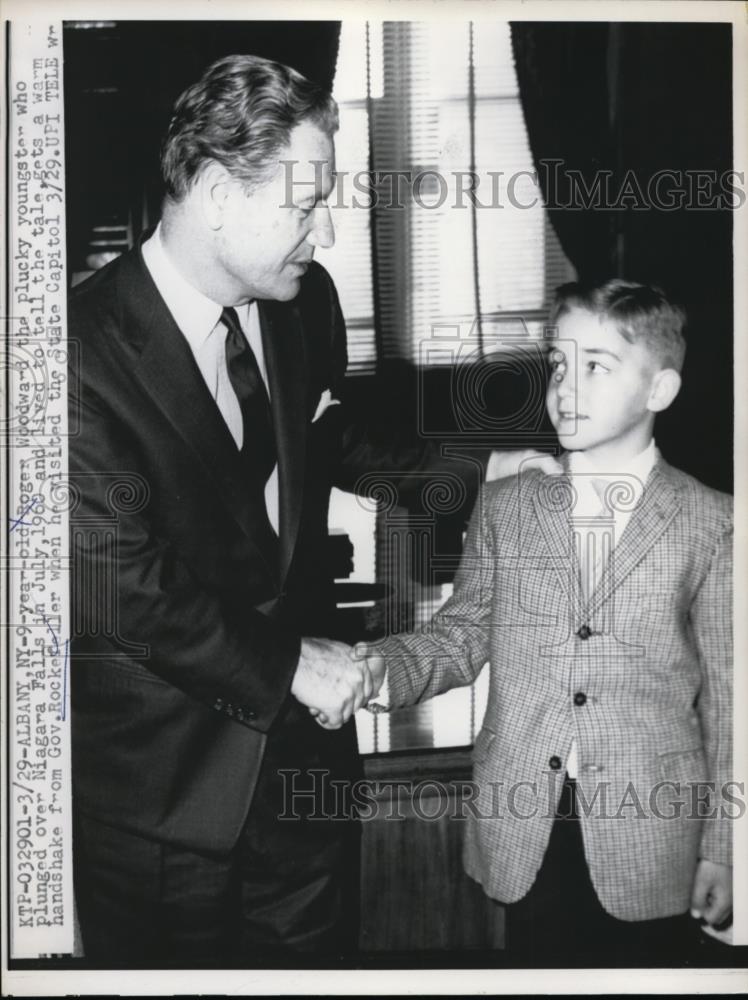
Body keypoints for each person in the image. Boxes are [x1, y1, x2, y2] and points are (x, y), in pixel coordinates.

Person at [68, 53, 553, 965]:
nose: (323, 231)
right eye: (305, 202)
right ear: (216, 191)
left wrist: (491, 470)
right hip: (163, 804)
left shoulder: (304, 304)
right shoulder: (73, 358)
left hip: (305, 772)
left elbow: (341, 444)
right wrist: (293, 664)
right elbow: (121, 588)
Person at [356, 280, 733, 960]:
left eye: (596, 367)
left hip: (652, 832)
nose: (567, 387)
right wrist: (374, 670)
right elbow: (461, 636)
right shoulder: (508, 505)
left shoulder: (716, 522)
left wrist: (727, 849)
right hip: (525, 822)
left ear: (660, 391)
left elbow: (734, 705)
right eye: (559, 364)